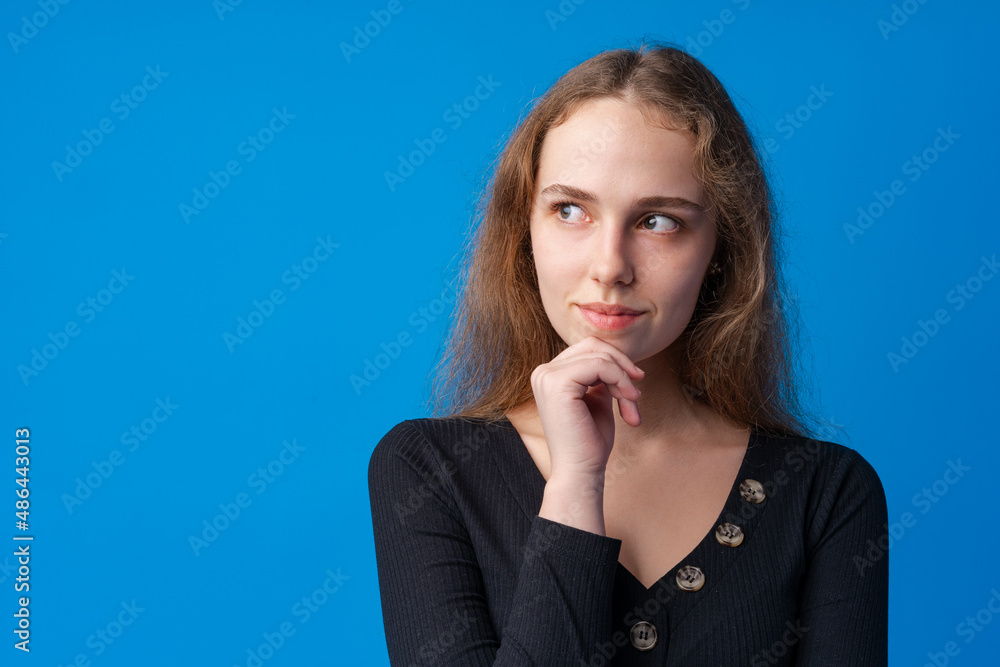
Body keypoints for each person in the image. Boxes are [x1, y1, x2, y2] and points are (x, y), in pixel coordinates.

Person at [368, 41, 888, 666]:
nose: (610, 266)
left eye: (658, 221)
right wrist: (574, 487)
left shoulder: (826, 494)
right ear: (522, 230)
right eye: (570, 210)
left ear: (721, 247)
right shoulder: (428, 469)